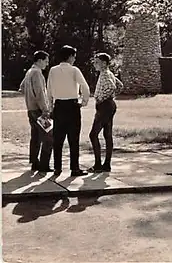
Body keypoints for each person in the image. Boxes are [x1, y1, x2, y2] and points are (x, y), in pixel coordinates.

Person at [47, 45, 90, 177]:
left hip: (59, 105)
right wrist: (84, 101)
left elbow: (48, 90)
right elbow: (85, 86)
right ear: (71, 57)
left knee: (58, 139)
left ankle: (57, 168)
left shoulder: (53, 70)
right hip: (72, 105)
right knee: (73, 139)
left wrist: (50, 107)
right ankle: (74, 168)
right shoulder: (74, 70)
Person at [88, 53, 124, 173]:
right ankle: (106, 164)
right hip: (109, 105)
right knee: (107, 135)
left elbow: (112, 87)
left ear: (104, 63)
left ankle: (98, 164)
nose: (95, 64)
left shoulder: (105, 74)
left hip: (104, 106)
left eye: (97, 62)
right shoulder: (109, 73)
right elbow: (120, 85)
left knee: (93, 135)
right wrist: (111, 97)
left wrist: (101, 98)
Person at [18, 51, 53, 172]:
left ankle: (34, 162)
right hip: (39, 110)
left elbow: (21, 88)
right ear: (39, 60)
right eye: (46, 61)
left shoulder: (29, 72)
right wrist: (45, 109)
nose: (47, 64)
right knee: (49, 137)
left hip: (31, 109)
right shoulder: (37, 73)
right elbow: (40, 93)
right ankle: (44, 165)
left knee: (36, 137)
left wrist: (29, 96)